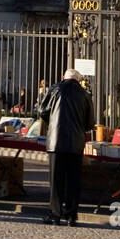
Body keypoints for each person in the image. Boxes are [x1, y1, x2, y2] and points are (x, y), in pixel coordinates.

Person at [39, 68, 94, 226]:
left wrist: (53, 123)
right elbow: (90, 123)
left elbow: (42, 110)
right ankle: (71, 216)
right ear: (78, 80)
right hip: (76, 143)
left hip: (56, 141)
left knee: (56, 180)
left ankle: (55, 214)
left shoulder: (55, 89)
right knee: (73, 180)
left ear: (64, 77)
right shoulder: (85, 94)